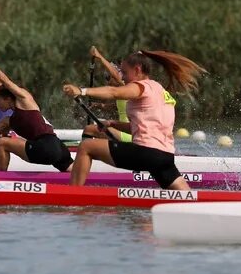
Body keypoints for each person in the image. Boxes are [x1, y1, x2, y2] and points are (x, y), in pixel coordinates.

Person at [63, 50, 206, 190]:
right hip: (165, 157)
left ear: (137, 70)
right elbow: (140, 128)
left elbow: (114, 92)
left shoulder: (141, 87)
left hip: (145, 153)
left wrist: (81, 91)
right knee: (187, 198)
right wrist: (114, 124)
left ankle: (72, 195)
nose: (122, 78)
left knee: (86, 146)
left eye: (124, 73)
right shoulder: (160, 89)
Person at [82, 47, 132, 143]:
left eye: (108, 77)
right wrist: (100, 105)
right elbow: (121, 107)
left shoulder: (126, 85)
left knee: (89, 129)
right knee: (99, 123)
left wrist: (99, 56)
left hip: (128, 135)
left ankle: (84, 150)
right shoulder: (123, 92)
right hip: (126, 133)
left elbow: (117, 76)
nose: (107, 81)